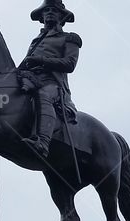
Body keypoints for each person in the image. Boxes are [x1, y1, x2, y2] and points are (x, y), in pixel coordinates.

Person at [19, 0, 81, 157]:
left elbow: (69, 64)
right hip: (30, 80)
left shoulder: (70, 38)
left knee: (43, 95)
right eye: (46, 10)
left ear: (62, 16)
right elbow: (25, 64)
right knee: (0, 98)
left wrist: (40, 60)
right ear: (42, 16)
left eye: (54, 10)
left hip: (53, 84)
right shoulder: (36, 41)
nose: (50, 12)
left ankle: (42, 143)